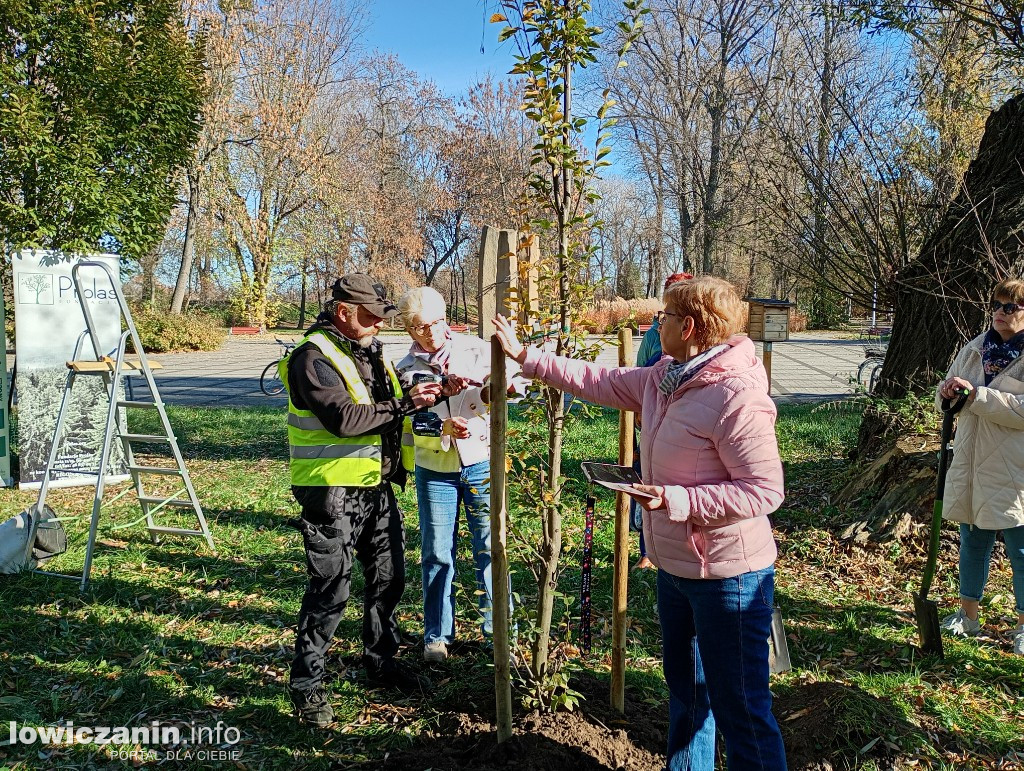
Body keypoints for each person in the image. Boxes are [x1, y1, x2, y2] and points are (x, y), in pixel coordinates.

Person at [493, 276, 787, 770]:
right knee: (688, 699)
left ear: (689, 326)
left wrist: (674, 499)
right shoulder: (664, 378)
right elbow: (599, 382)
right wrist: (527, 357)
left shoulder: (735, 396)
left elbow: (764, 491)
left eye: (664, 318)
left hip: (728, 579)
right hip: (677, 572)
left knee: (742, 711)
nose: (658, 325)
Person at [281, 274, 443, 728]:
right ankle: (307, 686)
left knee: (389, 579)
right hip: (330, 492)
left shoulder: (369, 352)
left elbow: (393, 415)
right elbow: (345, 420)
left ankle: (381, 661)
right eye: (369, 317)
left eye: (380, 317)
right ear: (342, 312)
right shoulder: (312, 358)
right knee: (330, 591)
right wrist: (406, 404)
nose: (377, 325)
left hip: (376, 487)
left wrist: (436, 402)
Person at [395, 286, 527, 663]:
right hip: (435, 470)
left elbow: (514, 386)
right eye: (421, 327)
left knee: (491, 548)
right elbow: (407, 422)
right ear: (409, 329)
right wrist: (441, 429)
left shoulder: (475, 349)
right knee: (437, 553)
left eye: (436, 322)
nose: (431, 333)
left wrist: (489, 394)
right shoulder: (404, 369)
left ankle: (499, 632)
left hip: (481, 461)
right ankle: (437, 635)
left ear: (446, 317)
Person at [936, 278, 1024, 656]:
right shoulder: (974, 349)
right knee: (972, 543)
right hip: (971, 461)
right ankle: (967, 616)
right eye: (998, 304)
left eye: (1011, 307)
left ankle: (1022, 626)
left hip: (1014, 469)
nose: (1001, 313)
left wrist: (978, 396)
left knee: (1021, 551)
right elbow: (949, 397)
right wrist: (946, 395)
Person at [632, 271, 694, 569]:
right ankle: (647, 550)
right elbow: (634, 377)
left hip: (678, 426)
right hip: (651, 417)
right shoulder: (654, 335)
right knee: (647, 483)